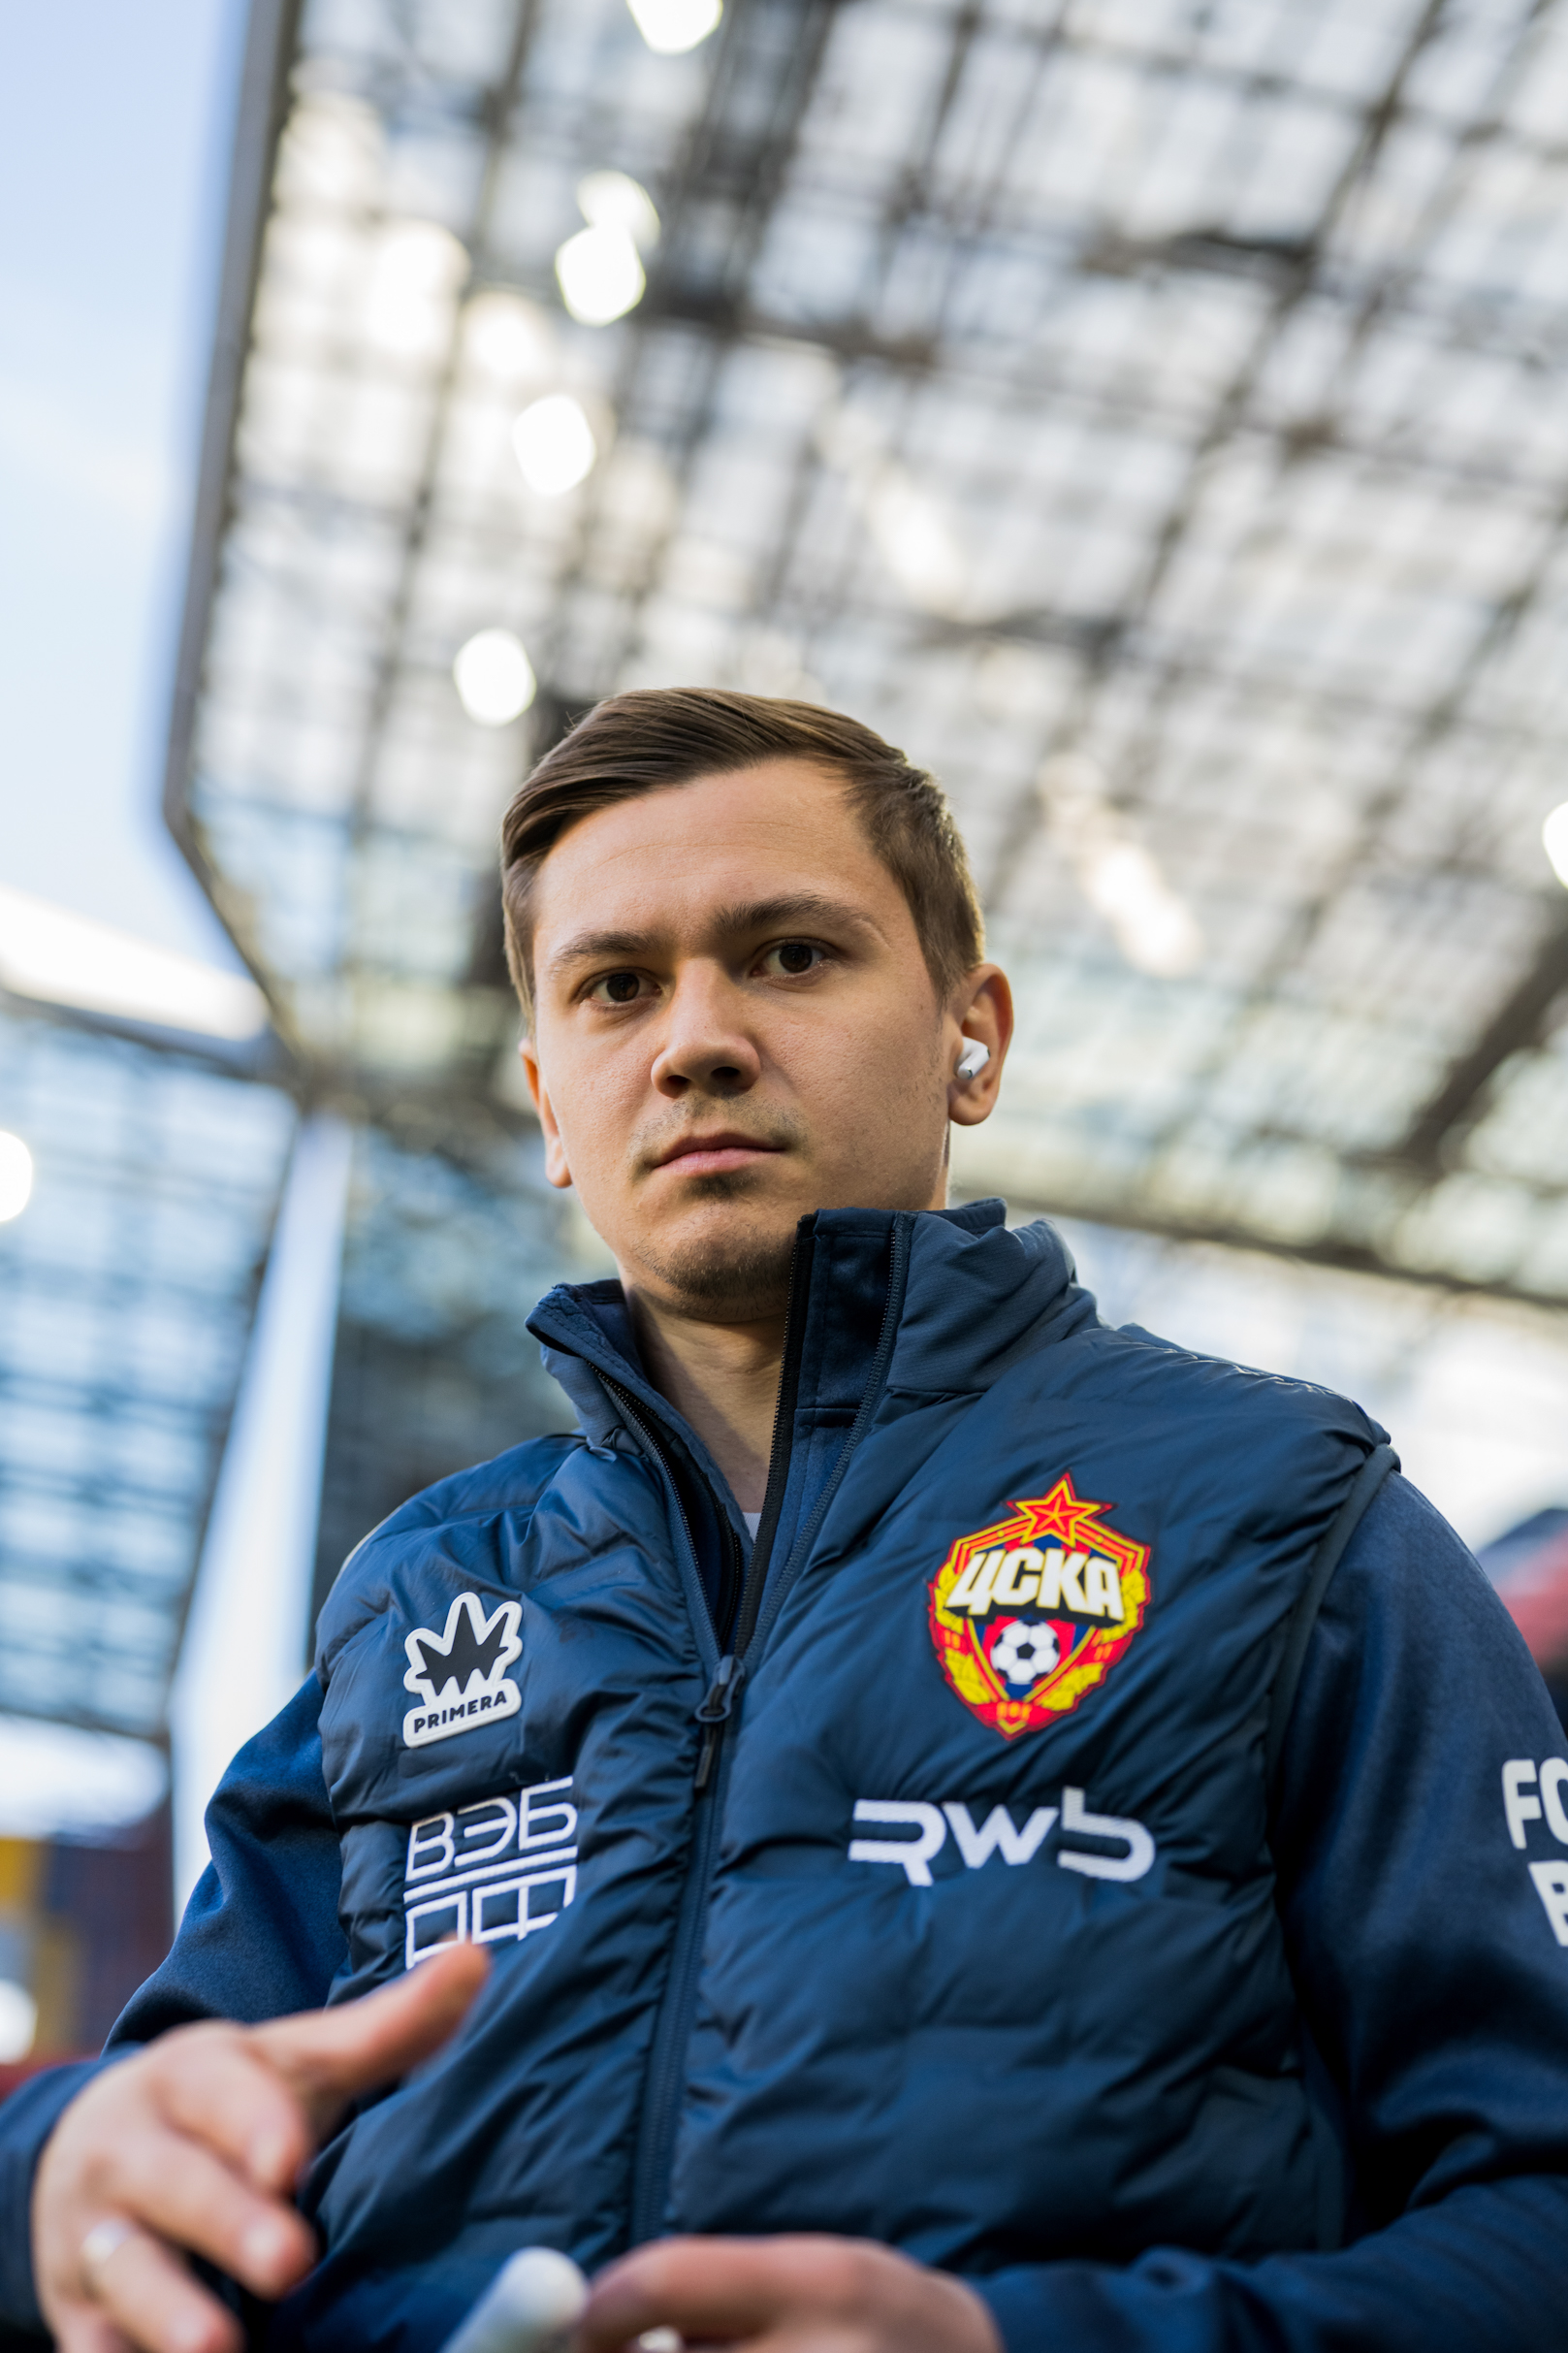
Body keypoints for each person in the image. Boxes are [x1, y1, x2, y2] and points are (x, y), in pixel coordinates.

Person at [5, 690, 1568, 2353]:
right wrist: (51, 2179)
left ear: (973, 1034)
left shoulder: (1289, 1516)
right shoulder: (417, 1602)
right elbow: (161, 2147)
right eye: (616, 985)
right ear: (549, 1102)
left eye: (790, 954)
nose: (694, 1040)